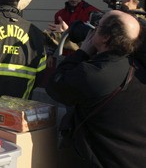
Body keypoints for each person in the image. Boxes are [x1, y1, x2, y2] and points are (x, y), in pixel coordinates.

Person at [46, 10, 146, 167]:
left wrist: (83, 52)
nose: (91, 31)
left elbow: (55, 85)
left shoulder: (94, 74)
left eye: (96, 27)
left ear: (105, 37)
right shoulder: (139, 68)